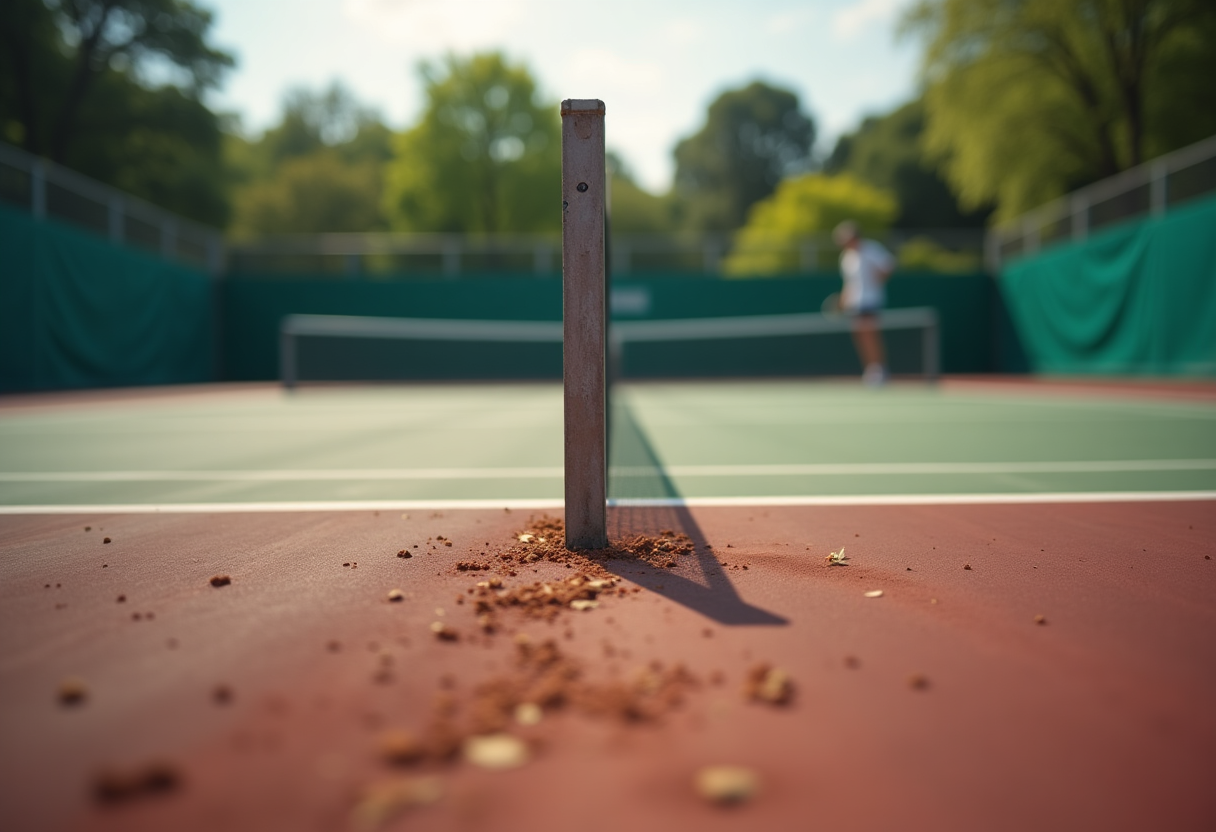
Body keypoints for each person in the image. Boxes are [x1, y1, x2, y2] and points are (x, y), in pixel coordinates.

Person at [833, 220, 895, 386]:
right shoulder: (846, 258)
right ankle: (871, 370)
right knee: (860, 336)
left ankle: (880, 370)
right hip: (855, 304)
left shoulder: (871, 248)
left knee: (870, 336)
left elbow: (889, 266)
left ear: (853, 237)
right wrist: (842, 301)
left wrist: (877, 279)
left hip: (871, 301)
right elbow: (849, 284)